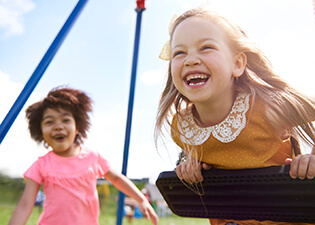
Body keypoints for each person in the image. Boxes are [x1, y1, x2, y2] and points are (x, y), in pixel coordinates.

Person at [155, 8, 315, 225]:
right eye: (179, 53)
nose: (191, 60)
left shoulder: (266, 110)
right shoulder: (182, 127)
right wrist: (190, 164)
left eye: (206, 47)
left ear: (237, 64)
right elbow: (203, 153)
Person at [8, 87, 158, 225]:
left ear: (77, 127)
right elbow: (25, 206)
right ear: (40, 132)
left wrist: (140, 199)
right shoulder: (40, 165)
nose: (58, 126)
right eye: (49, 122)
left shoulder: (92, 158)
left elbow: (117, 179)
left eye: (65, 120)